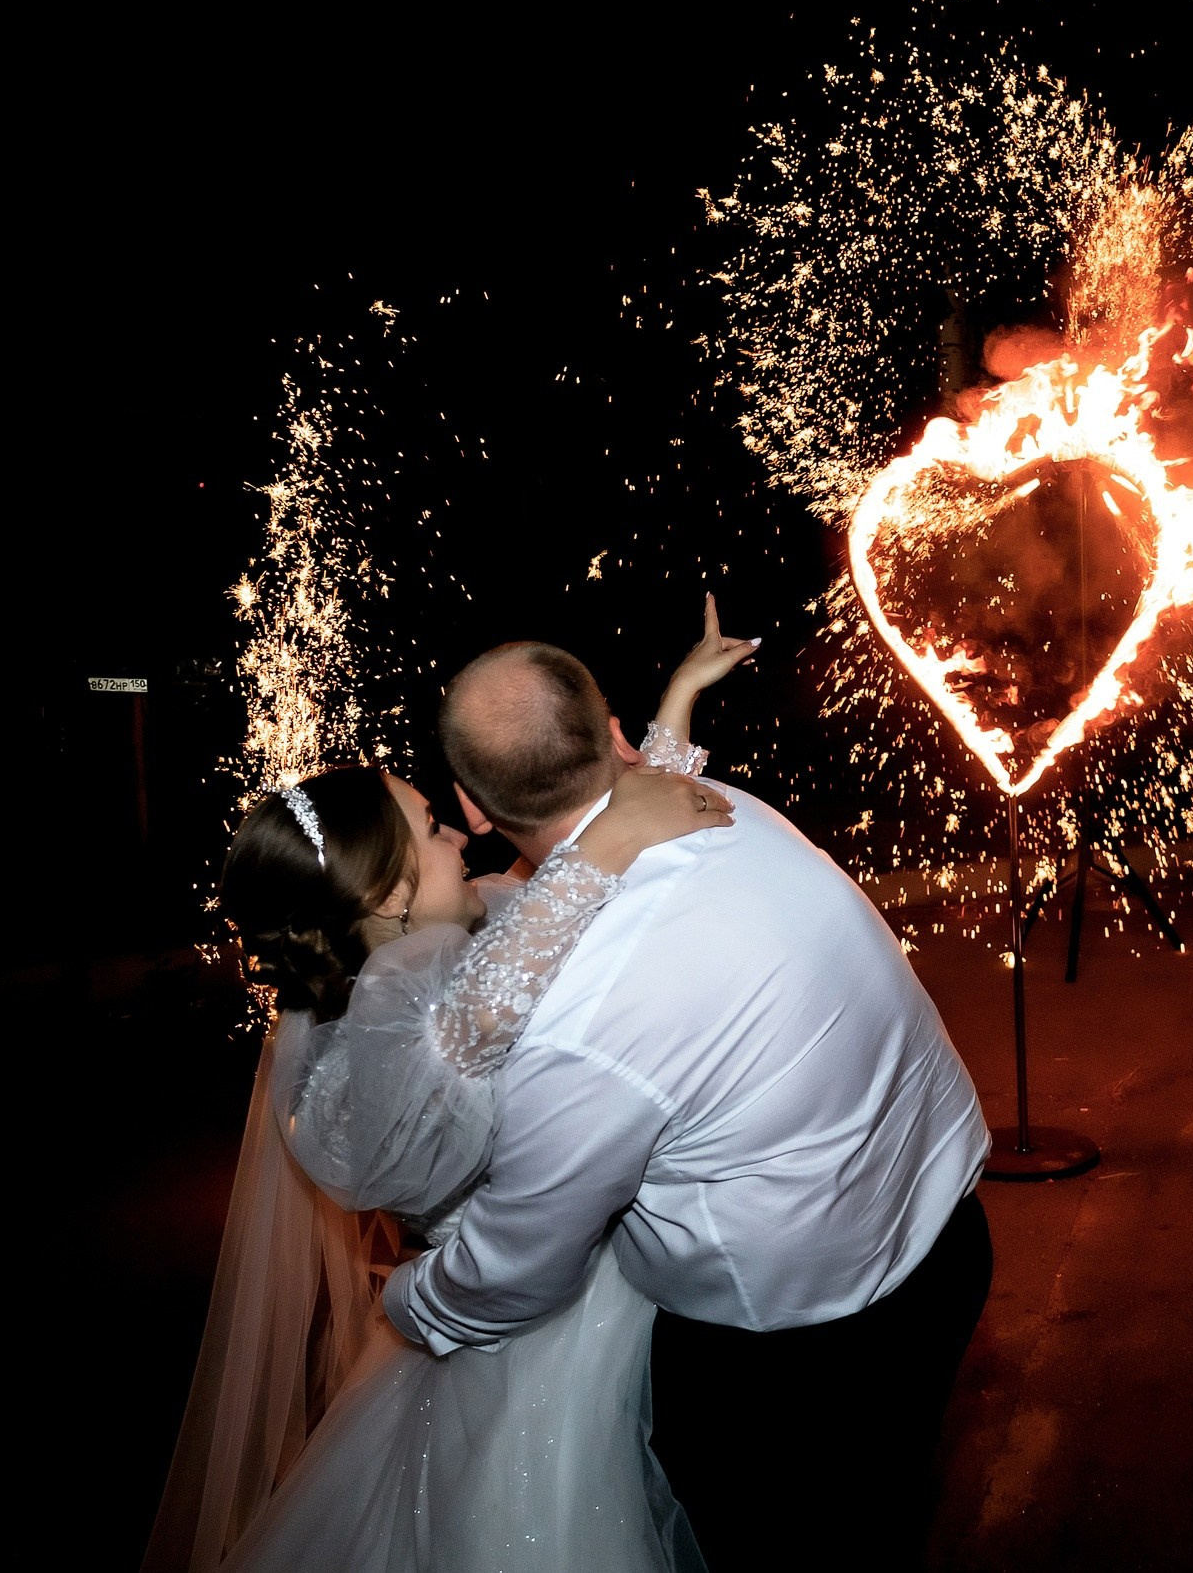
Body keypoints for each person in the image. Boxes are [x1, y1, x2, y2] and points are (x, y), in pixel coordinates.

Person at [145, 601, 754, 1572]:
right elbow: (565, 903)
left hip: (514, 1304)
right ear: (386, 895)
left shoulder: (412, 977)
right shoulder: (417, 1008)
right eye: (429, 827)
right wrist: (616, 823)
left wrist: (674, 709)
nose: (455, 840)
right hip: (545, 1328)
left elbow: (592, 860)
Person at [387, 614, 993, 1569]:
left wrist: (412, 1303)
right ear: (613, 734)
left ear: (468, 808)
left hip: (802, 1358)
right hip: (948, 1235)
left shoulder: (578, 1019)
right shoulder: (720, 803)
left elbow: (519, 1267)